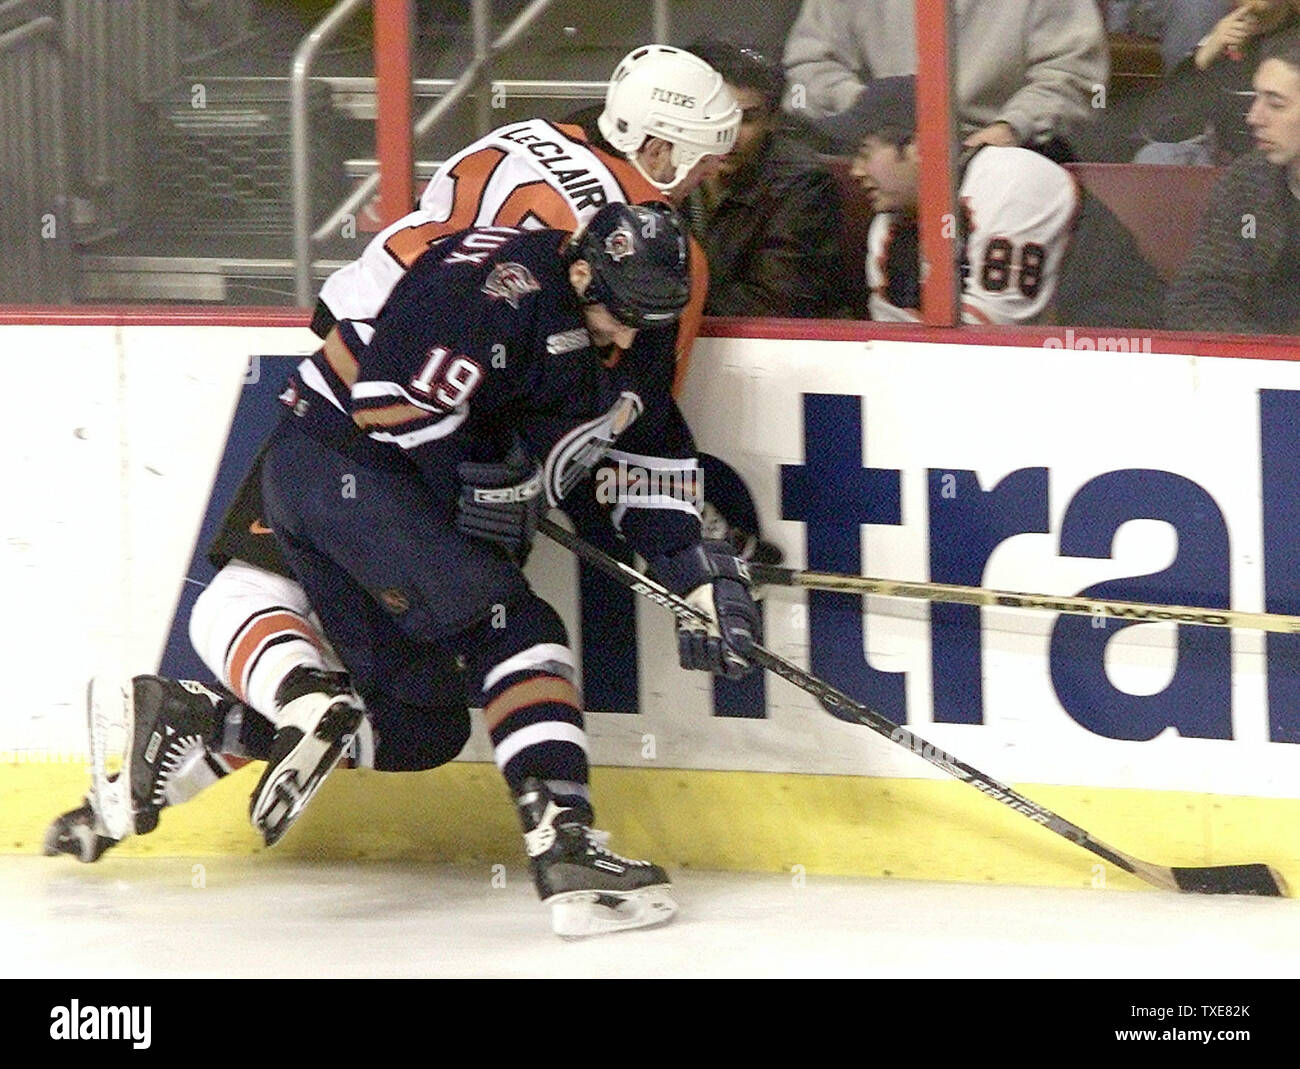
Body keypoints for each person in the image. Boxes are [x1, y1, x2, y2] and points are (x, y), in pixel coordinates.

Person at [44, 44, 745, 864]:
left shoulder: (513, 140)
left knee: (307, 626)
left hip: (351, 386)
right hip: (433, 432)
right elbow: (623, 412)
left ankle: (168, 757)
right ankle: (556, 839)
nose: (705, 175)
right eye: (699, 158)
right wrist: (671, 541)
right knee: (454, 646)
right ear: (659, 147)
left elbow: (402, 276)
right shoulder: (646, 242)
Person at [258, 202, 761, 936]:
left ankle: (201, 721)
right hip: (341, 463)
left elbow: (643, 459)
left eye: (648, 319)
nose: (627, 335)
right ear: (582, 269)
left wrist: (697, 577)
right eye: (617, 312)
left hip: (361, 485)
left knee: (418, 721)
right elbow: (387, 399)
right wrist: (479, 476)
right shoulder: (500, 284)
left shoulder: (638, 328)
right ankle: (567, 845)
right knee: (518, 630)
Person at [824, 76, 1165, 328]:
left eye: (865, 153)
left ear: (920, 146)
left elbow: (989, 337)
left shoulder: (1013, 179)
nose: (855, 171)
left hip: (1129, 359)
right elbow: (893, 341)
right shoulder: (890, 220)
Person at [781, 0, 1108, 157]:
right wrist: (874, 112)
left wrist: (1012, 128)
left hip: (1000, 154)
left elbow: (1075, 75)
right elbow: (807, 67)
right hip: (885, 153)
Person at [682, 40, 847, 317]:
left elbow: (776, 301)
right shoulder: (661, 164)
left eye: (747, 119)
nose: (729, 135)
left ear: (772, 120)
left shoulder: (803, 184)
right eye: (715, 116)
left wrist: (665, 305)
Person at [1166, 28, 1300, 332]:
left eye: (1275, 104)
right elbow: (1197, 299)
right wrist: (1266, 360)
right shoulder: (1247, 182)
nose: (1253, 117)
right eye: (1256, 99)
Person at [1134, 0, 1297, 164]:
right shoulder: (1223, 37)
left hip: (1278, 163)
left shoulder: (1292, 42)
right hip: (1225, 163)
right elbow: (1159, 130)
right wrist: (1204, 56)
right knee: (1156, 156)